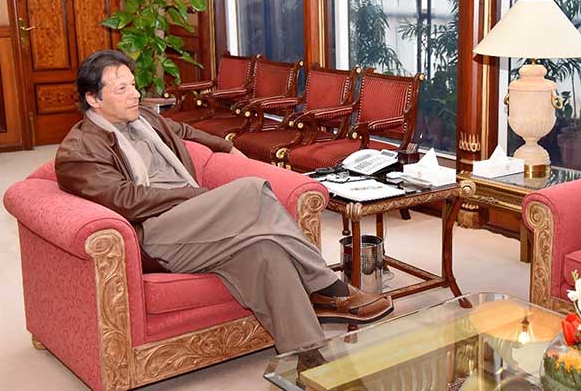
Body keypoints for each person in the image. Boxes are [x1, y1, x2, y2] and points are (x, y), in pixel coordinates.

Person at [55, 50, 393, 353]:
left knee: (267, 252)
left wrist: (228, 147)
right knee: (251, 191)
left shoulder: (146, 119)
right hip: (155, 235)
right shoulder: (79, 151)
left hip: (195, 221)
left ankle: (308, 361)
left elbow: (185, 133)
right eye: (122, 89)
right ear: (93, 99)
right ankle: (330, 287)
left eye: (133, 84)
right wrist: (194, 195)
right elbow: (124, 200)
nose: (136, 94)